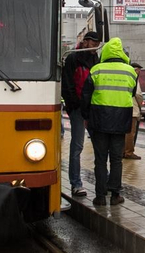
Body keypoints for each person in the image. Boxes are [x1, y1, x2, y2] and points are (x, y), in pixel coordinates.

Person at [80, 38, 138, 206]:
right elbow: (132, 92)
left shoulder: (96, 70)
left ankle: (99, 196)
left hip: (99, 120)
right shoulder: (130, 71)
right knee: (116, 160)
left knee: (100, 159)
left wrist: (86, 117)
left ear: (105, 52)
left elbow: (86, 95)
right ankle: (115, 196)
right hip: (121, 121)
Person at [61, 31, 100, 197]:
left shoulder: (96, 60)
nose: (95, 46)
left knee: (99, 147)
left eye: (97, 43)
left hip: (93, 108)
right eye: (93, 42)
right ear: (85, 42)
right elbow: (67, 84)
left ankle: (101, 184)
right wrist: (74, 106)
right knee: (77, 146)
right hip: (78, 109)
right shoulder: (72, 59)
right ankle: (76, 184)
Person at [124, 62, 144, 160]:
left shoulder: (125, 77)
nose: (139, 72)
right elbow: (138, 95)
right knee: (131, 133)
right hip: (134, 109)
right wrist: (141, 106)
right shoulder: (134, 78)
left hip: (125, 108)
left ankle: (123, 151)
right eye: (139, 70)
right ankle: (129, 152)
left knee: (125, 132)